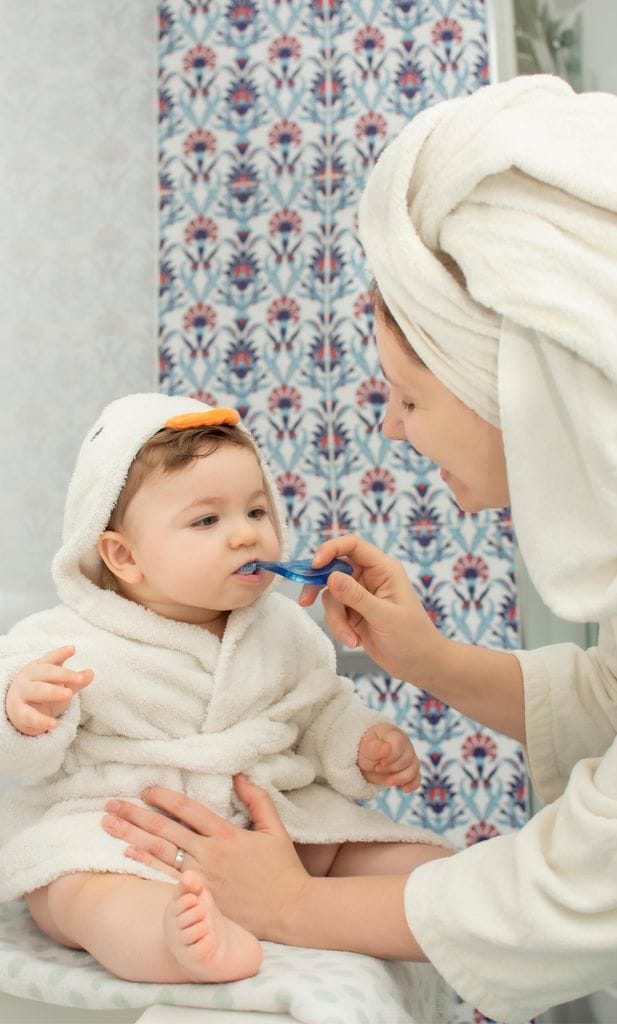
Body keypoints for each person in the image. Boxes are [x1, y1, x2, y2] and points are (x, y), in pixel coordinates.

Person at [100, 73, 617, 1024]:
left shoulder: (277, 644)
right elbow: (607, 708)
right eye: (202, 520)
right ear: (116, 554)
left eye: (411, 397)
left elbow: (587, 884)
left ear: (534, 390)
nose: (388, 425)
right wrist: (423, 659)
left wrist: (297, 900)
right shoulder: (83, 641)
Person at [0, 392, 451, 985]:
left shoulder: (281, 626)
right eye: (208, 520)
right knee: (76, 894)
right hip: (125, 836)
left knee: (426, 867)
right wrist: (23, 711)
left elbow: (320, 710)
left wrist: (360, 742)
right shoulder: (67, 638)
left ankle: (450, 898)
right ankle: (175, 940)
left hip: (274, 830)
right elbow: (19, 745)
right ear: (123, 555)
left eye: (256, 512)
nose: (245, 535)